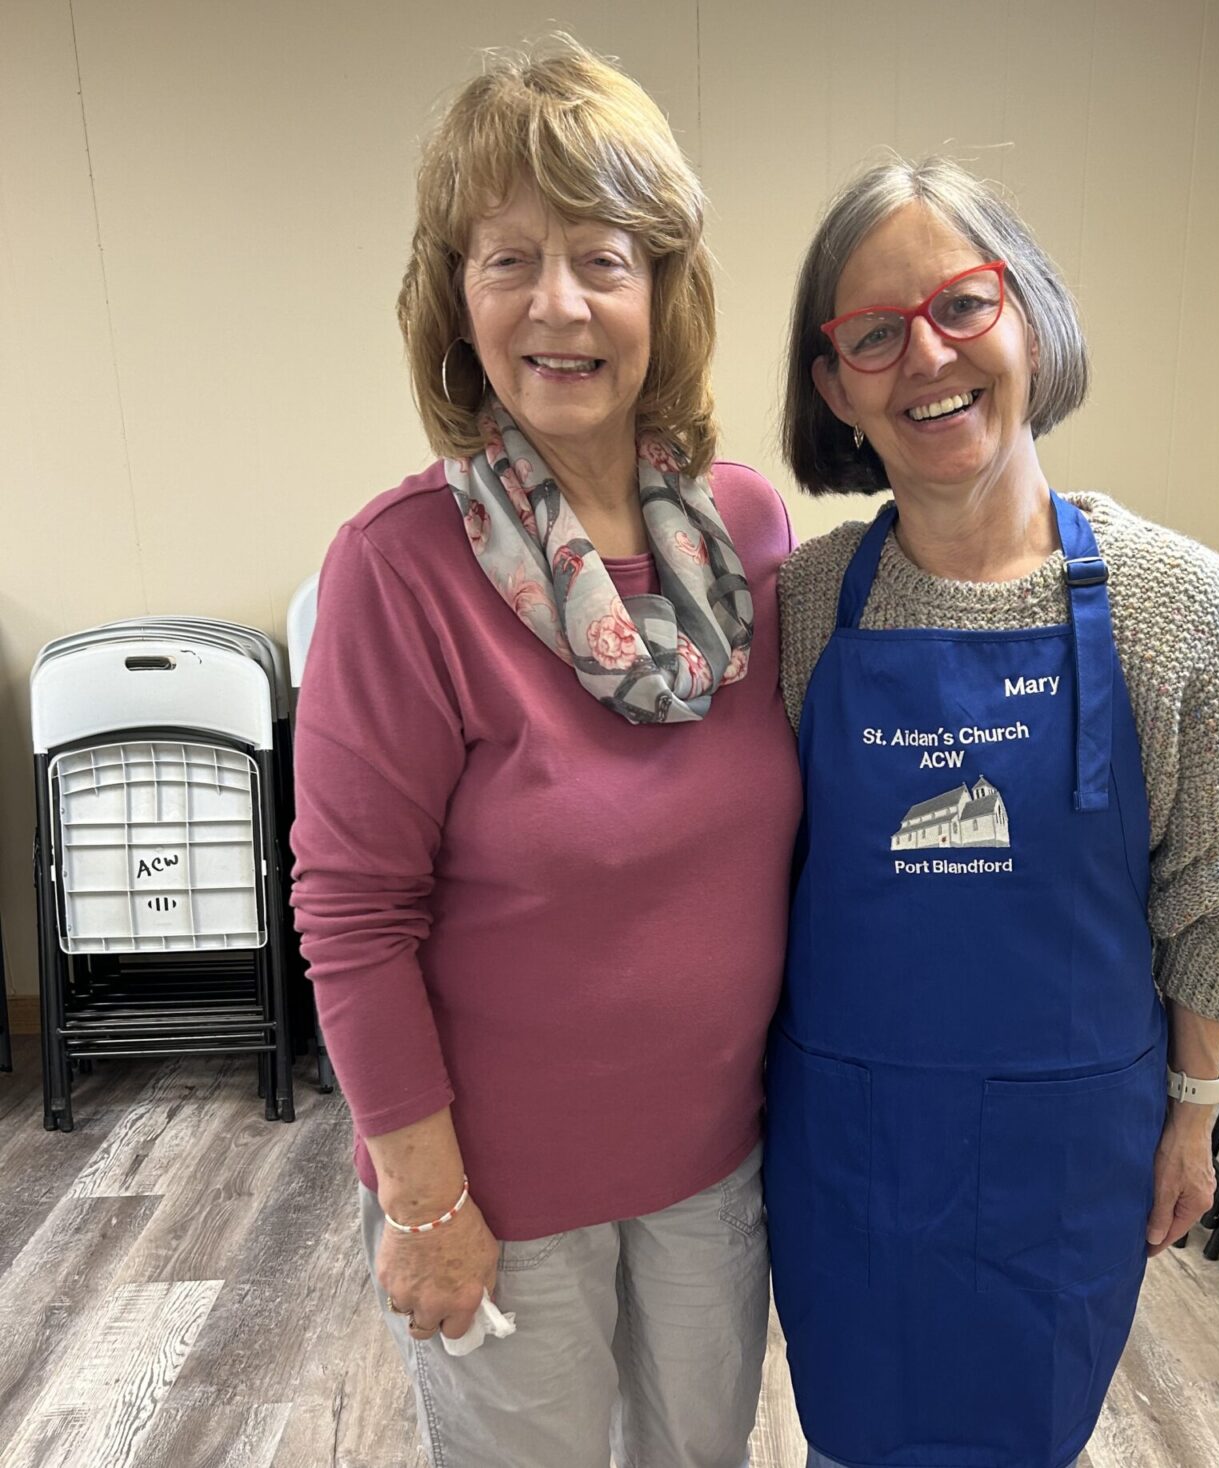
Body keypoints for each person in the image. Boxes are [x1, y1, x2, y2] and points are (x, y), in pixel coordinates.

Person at [288, 42, 801, 1468]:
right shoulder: (399, 572)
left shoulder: (749, 535)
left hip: (717, 1169)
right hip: (499, 1198)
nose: (559, 301)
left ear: (665, 293)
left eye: (603, 256)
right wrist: (427, 1205)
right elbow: (351, 918)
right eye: (510, 256)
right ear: (457, 299)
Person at [767, 157, 1219, 1468]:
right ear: (835, 386)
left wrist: (1195, 1106)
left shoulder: (1179, 604)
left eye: (961, 305)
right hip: (850, 1151)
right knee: (854, 1441)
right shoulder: (802, 607)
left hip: (1065, 1158)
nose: (926, 358)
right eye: (874, 335)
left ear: (1029, 317)